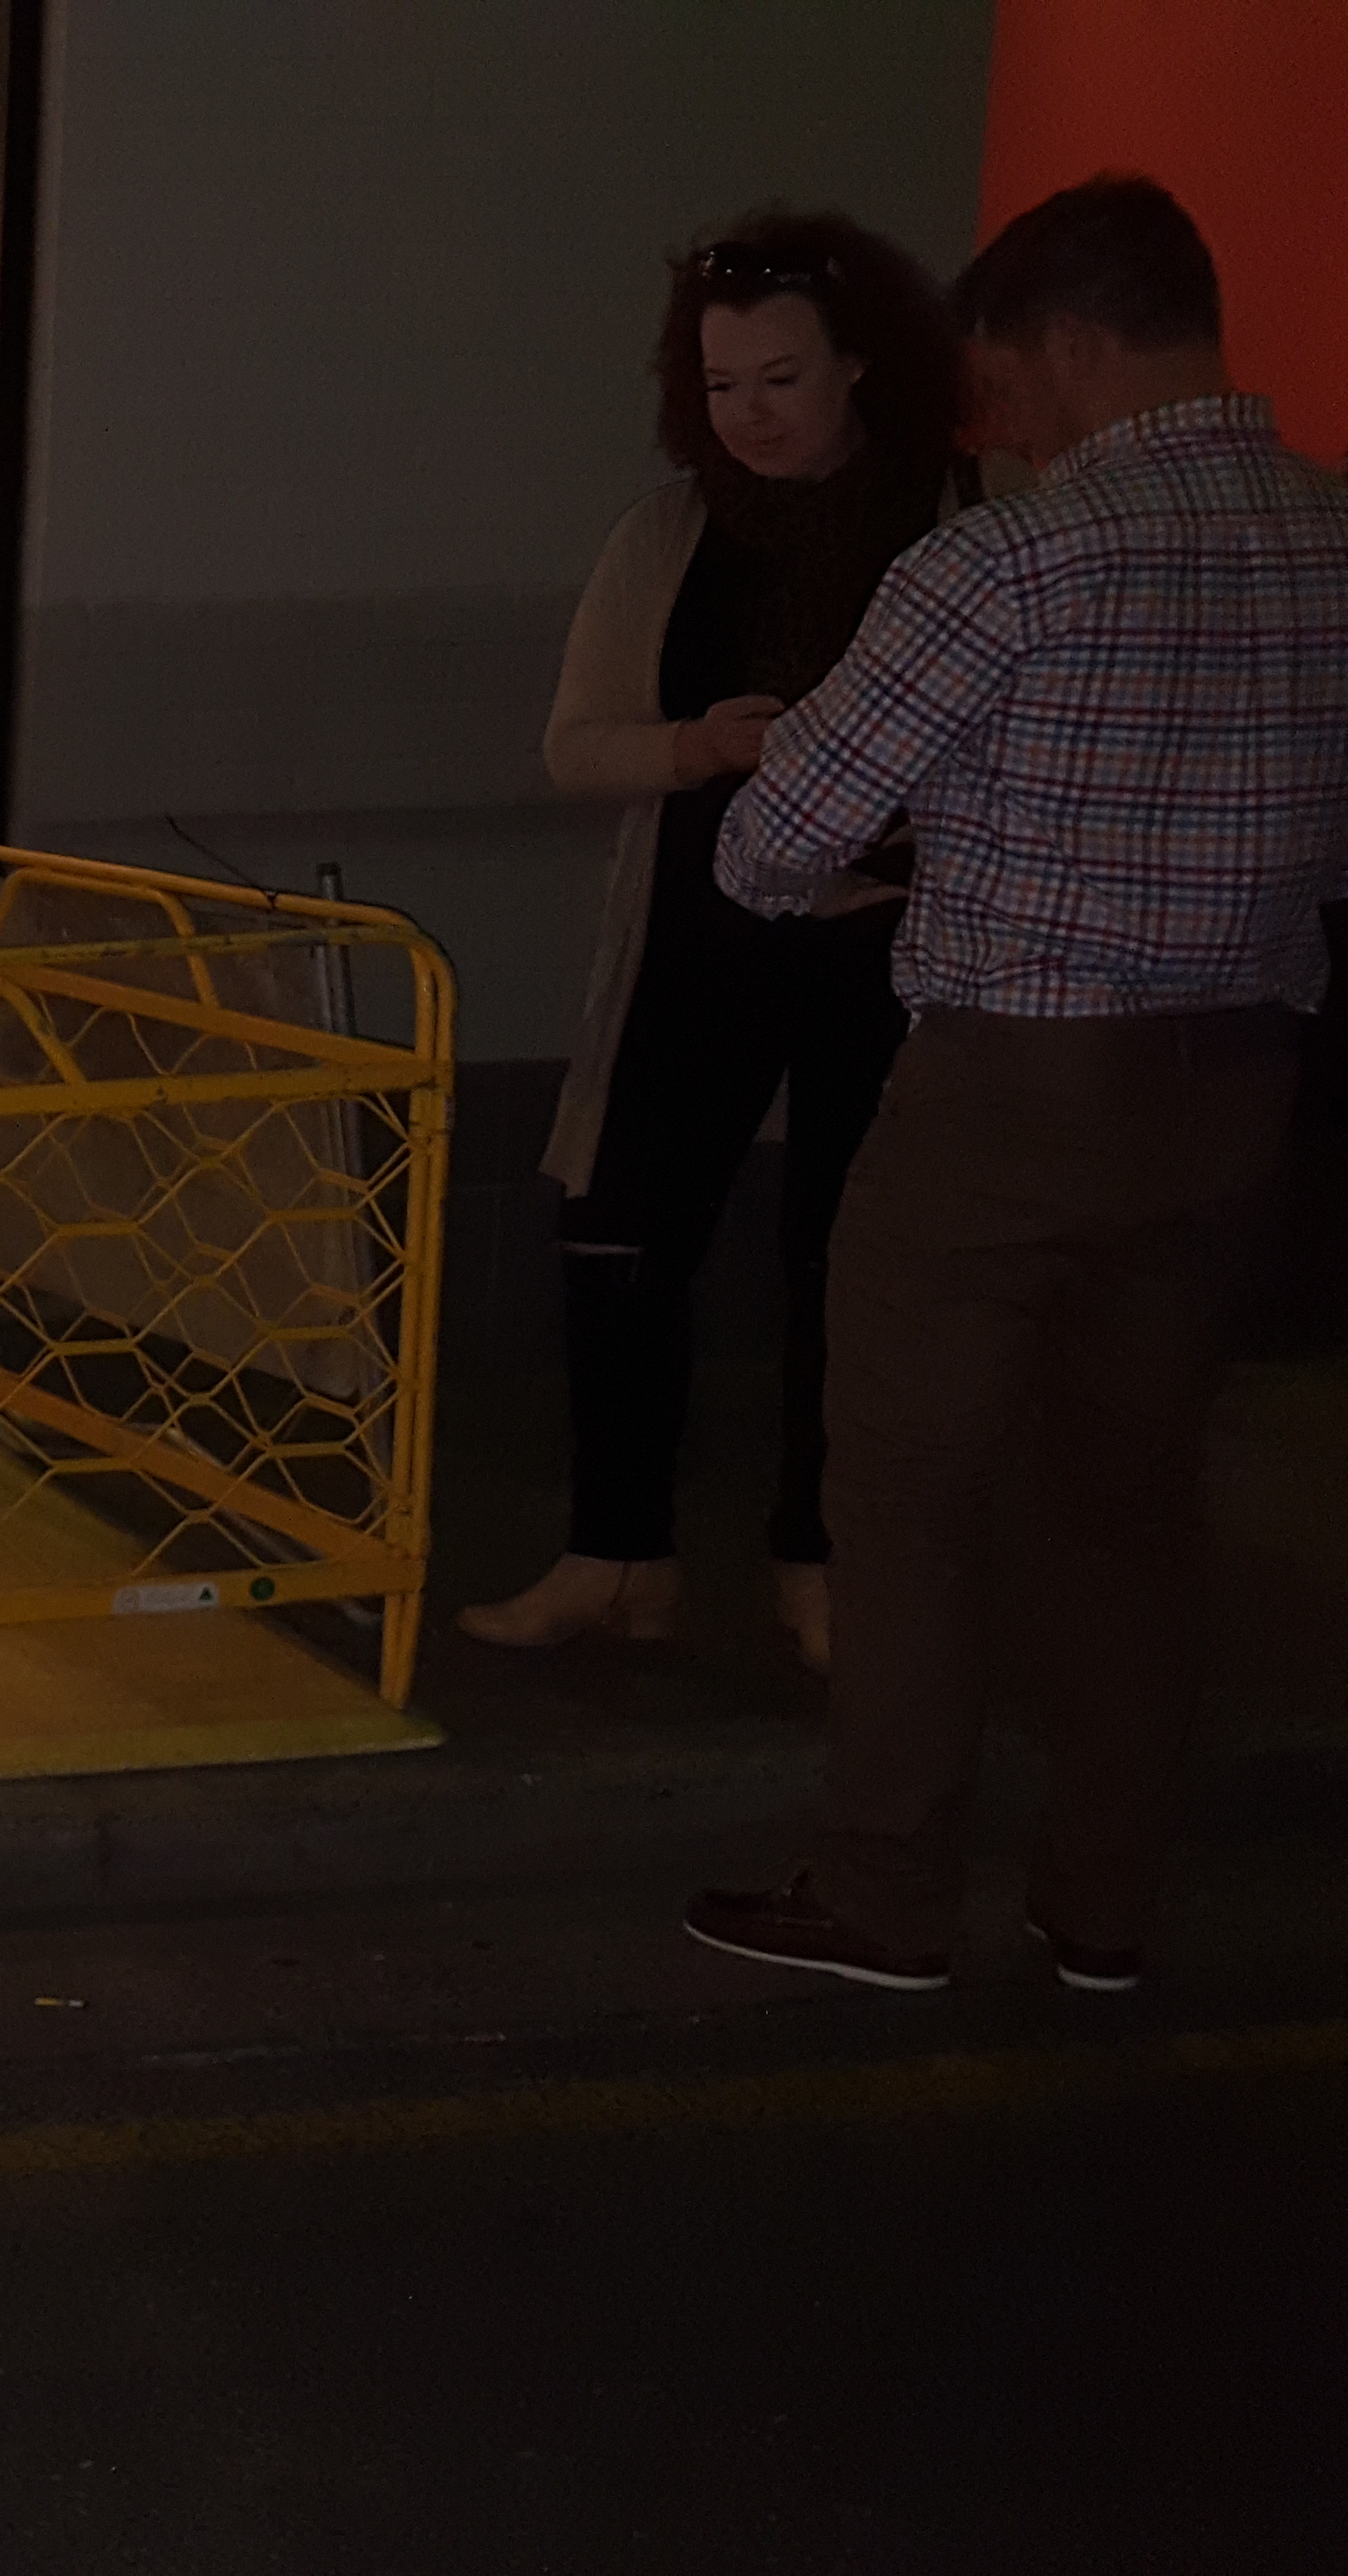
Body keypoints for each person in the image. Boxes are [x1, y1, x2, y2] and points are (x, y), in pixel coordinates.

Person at [682, 177, 1348, 1993]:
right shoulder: (1329, 540)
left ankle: (888, 1891)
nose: (1000, 422)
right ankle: (1100, 1902)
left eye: (1005, 381)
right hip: (1234, 1084)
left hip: (1010, 1088)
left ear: (1070, 344)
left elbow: (780, 829)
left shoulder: (1006, 565)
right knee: (1131, 1502)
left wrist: (891, 865)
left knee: (910, 1496)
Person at [462, 212, 963, 1672]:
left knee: (849, 1253)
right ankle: (616, 1551)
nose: (749, 413)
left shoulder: (955, 522)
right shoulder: (671, 532)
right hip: (699, 916)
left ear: (860, 364)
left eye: (781, 379)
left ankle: (819, 1557)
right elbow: (576, 746)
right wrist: (701, 744)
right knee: (617, 1225)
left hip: (895, 934)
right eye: (721, 382)